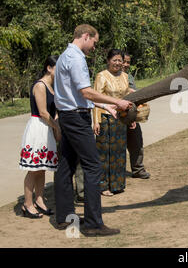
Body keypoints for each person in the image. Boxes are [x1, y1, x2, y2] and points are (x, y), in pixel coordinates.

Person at [54, 24, 133, 237]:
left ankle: (64, 217)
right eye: (94, 43)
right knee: (93, 166)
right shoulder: (77, 58)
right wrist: (117, 101)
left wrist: (105, 105)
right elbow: (87, 92)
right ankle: (92, 224)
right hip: (77, 118)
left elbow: (76, 95)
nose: (94, 48)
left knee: (66, 164)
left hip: (67, 115)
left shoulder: (63, 56)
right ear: (86, 36)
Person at [19, 55, 60, 218]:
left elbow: (53, 111)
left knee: (42, 168)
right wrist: (57, 128)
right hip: (38, 128)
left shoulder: (52, 87)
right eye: (58, 68)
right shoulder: (40, 86)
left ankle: (40, 200)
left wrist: (55, 124)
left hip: (47, 128)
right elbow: (43, 112)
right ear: (49, 68)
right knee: (33, 169)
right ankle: (27, 204)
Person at [93, 49, 136, 196]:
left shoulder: (125, 76)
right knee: (104, 153)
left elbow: (126, 99)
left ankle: (117, 184)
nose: (117, 63)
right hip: (104, 118)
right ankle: (103, 186)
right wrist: (95, 121)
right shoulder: (101, 76)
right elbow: (95, 99)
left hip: (120, 118)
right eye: (114, 60)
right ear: (108, 61)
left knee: (119, 152)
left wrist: (131, 119)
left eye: (120, 60)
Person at [122, 52, 150, 179]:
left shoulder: (129, 77)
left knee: (137, 142)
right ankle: (117, 173)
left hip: (132, 114)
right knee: (118, 146)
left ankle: (138, 169)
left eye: (128, 62)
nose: (126, 65)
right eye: (124, 61)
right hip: (120, 115)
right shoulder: (110, 77)